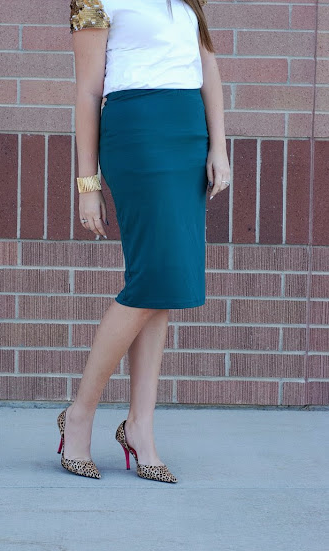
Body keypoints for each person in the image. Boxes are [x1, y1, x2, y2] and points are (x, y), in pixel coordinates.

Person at [56, 0, 231, 482]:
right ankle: (80, 414)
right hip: (137, 133)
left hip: (188, 135)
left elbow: (208, 66)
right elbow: (88, 90)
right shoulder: (95, 0)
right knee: (153, 278)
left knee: (161, 287)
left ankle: (140, 426)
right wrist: (87, 184)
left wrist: (218, 146)